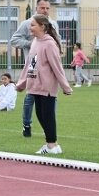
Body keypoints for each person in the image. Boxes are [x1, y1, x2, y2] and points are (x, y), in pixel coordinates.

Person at [16, 14, 73, 154]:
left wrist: (65, 87)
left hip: (47, 86)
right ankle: (52, 144)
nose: (30, 28)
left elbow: (57, 67)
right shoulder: (35, 41)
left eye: (33, 25)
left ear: (42, 26)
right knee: (40, 115)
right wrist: (22, 83)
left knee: (47, 115)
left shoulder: (49, 44)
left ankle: (51, 145)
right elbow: (30, 64)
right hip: (34, 86)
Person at [9, 0, 58, 138]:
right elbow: (14, 40)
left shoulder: (53, 24)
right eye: (42, 8)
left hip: (48, 66)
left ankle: (48, 127)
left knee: (51, 97)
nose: (45, 10)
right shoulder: (27, 24)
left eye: (48, 8)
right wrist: (32, 44)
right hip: (33, 63)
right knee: (30, 96)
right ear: (36, 8)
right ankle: (26, 124)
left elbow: (57, 40)